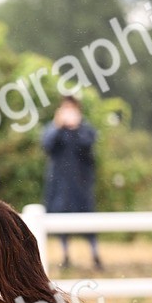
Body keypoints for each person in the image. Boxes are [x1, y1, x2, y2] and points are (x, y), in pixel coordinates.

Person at [42, 95, 103, 270]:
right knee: (61, 220)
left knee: (88, 221)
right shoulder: (54, 129)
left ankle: (95, 254)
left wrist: (76, 127)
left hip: (81, 184)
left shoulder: (85, 129)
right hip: (60, 185)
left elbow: (88, 143)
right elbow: (47, 144)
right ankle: (65, 256)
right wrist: (58, 126)